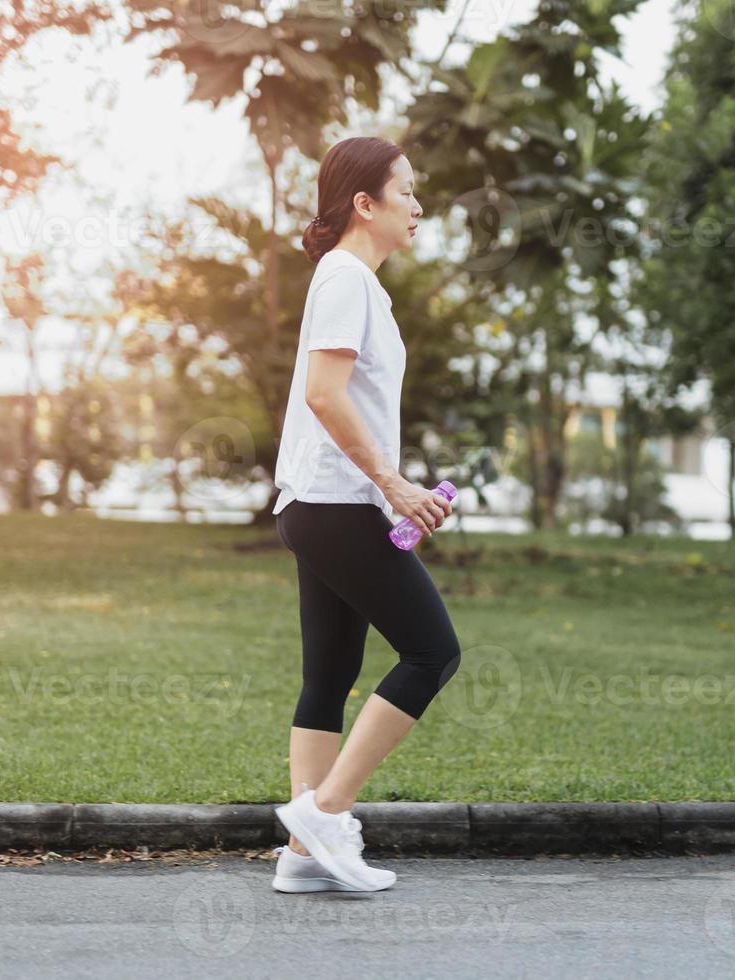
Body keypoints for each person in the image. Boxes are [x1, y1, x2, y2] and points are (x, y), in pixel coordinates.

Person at [269, 136, 459, 893]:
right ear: (365, 203)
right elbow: (324, 393)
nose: (418, 205)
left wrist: (393, 487)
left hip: (318, 503)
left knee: (331, 673)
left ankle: (304, 859)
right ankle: (327, 811)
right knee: (431, 652)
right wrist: (396, 484)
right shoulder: (346, 278)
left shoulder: (351, 281)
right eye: (406, 190)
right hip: (336, 502)